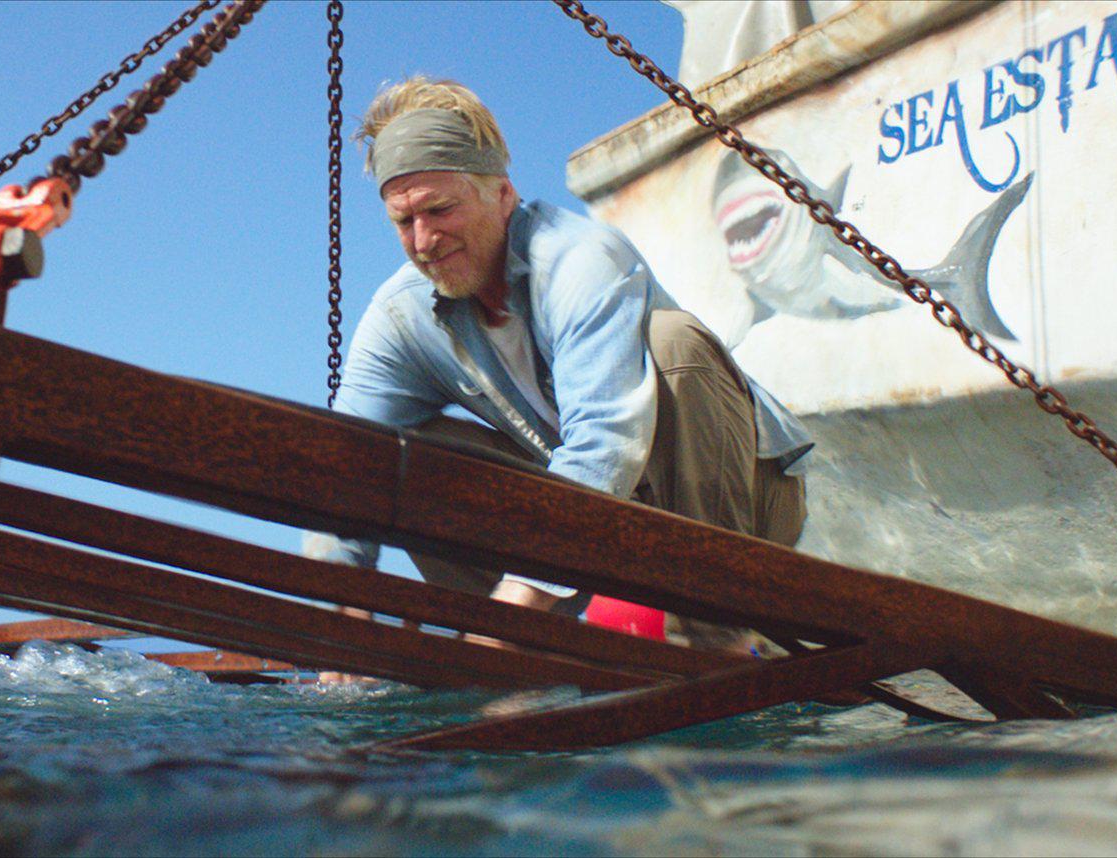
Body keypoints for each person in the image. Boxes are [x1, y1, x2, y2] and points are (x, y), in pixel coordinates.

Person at [300, 76, 814, 651]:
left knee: (676, 347)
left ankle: (711, 639)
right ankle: (511, 660)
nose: (424, 240)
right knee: (406, 453)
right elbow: (348, 461)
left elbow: (604, 440)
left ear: (502, 195)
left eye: (440, 209)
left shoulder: (580, 260)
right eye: (403, 222)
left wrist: (517, 604)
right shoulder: (401, 316)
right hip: (593, 524)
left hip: (742, 500)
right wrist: (338, 616)